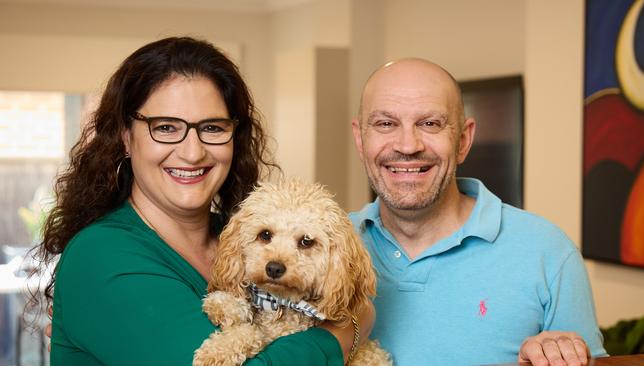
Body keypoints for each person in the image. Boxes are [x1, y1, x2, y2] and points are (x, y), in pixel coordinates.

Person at [33, 37, 369, 366]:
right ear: (125, 137)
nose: (193, 153)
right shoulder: (100, 256)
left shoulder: (241, 237)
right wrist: (347, 329)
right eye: (165, 127)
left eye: (211, 127)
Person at [348, 58, 608, 366]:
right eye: (385, 124)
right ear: (360, 139)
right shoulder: (315, 248)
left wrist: (561, 352)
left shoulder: (547, 251)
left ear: (463, 140)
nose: (407, 145)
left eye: (430, 123)